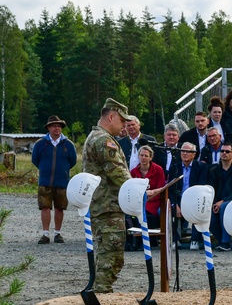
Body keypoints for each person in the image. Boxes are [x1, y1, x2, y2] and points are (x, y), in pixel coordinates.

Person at [81, 98, 131, 293]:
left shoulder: (95, 136)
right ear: (111, 116)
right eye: (122, 120)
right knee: (111, 254)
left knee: (107, 252)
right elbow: (118, 173)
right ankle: (101, 293)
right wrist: (139, 191)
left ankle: (100, 291)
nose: (124, 125)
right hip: (108, 206)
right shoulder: (104, 140)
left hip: (104, 204)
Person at [31, 114, 77, 244]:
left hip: (62, 181)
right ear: (49, 128)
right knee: (45, 207)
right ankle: (45, 234)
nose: (57, 128)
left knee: (60, 207)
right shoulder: (40, 144)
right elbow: (35, 159)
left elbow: (72, 161)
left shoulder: (68, 144)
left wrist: (63, 171)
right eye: (54, 126)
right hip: (45, 181)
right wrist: (44, 169)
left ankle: (58, 233)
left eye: (59, 126)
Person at [169, 142, 210, 248]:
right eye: (183, 151)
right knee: (170, 210)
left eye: (188, 151)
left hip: (195, 198)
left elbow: (201, 187)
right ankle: (175, 239)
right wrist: (175, 205)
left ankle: (195, 239)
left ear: (194, 154)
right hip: (178, 198)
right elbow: (170, 188)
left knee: (197, 209)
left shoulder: (201, 167)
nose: (185, 153)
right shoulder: (175, 167)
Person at [129, 145, 167, 234]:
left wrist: (152, 192)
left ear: (151, 158)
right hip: (138, 201)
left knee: (147, 211)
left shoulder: (158, 169)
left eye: (146, 156)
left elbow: (162, 187)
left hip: (155, 200)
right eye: (141, 155)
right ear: (138, 156)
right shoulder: (133, 172)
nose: (143, 158)